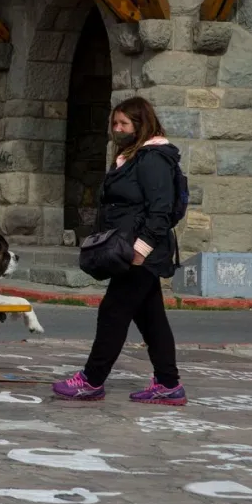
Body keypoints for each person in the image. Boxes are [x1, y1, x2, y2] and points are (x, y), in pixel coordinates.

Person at [52, 96, 187, 406]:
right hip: (130, 248)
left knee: (113, 311)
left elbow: (161, 210)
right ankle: (168, 384)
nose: (118, 129)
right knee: (152, 319)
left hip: (141, 251)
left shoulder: (152, 159)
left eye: (125, 124)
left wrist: (140, 250)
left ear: (141, 125)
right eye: (115, 123)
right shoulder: (132, 156)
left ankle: (91, 380)